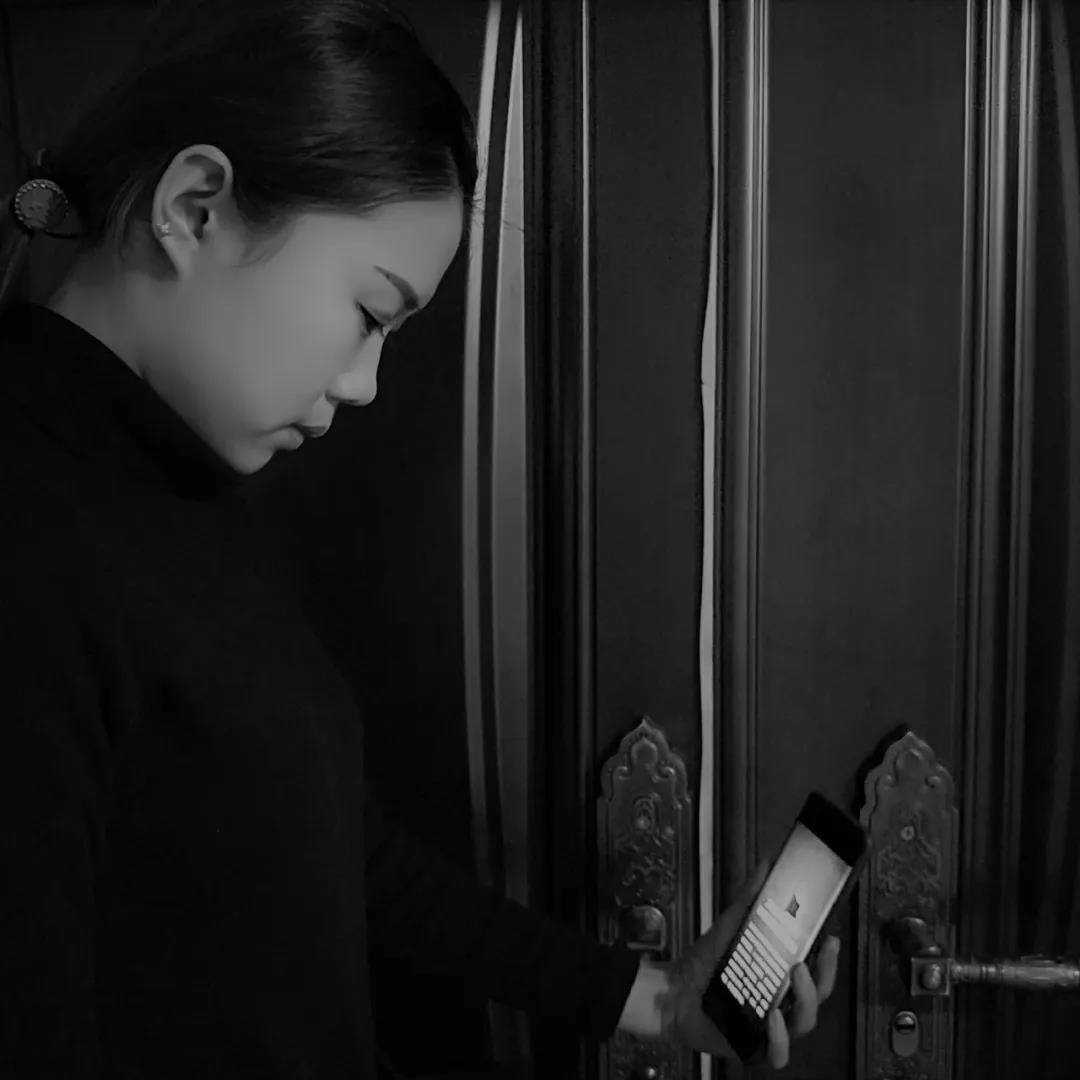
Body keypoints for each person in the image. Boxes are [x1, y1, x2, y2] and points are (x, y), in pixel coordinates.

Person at [0, 1, 839, 1076]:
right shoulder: (30, 539)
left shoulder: (178, 476)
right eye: (369, 313)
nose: (363, 384)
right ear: (195, 206)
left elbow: (337, 847)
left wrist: (659, 999)